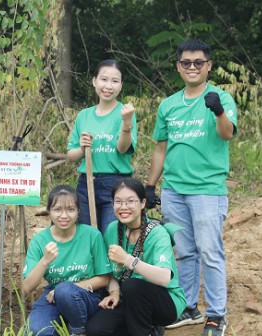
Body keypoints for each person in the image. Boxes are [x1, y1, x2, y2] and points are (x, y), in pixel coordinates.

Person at [145, 39, 237, 336]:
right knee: (184, 251)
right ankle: (187, 307)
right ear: (178, 67)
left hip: (207, 189)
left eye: (199, 62)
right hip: (174, 190)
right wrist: (150, 185)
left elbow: (227, 135)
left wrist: (219, 112)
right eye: (187, 62)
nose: (193, 67)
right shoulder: (169, 104)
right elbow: (161, 148)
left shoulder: (220, 97)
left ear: (209, 65)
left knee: (210, 251)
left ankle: (216, 315)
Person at [85, 178, 186, 336]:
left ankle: (147, 329)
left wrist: (127, 260)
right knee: (95, 329)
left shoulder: (157, 233)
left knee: (132, 285)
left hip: (164, 302)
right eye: (118, 201)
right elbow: (109, 270)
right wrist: (114, 292)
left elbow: (164, 278)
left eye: (130, 201)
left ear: (142, 203)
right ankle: (150, 330)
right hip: (129, 300)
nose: (123, 207)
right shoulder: (113, 229)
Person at [23, 185, 112, 336]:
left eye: (70, 209)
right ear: (49, 212)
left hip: (87, 296)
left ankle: (79, 331)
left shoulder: (92, 235)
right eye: (57, 209)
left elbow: (104, 279)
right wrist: (44, 261)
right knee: (37, 331)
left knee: (65, 290)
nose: (64, 215)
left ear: (78, 212)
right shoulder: (40, 240)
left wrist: (62, 291)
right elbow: (26, 287)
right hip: (52, 297)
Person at [67, 60, 137, 235]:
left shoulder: (125, 113)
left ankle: (112, 264)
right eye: (104, 79)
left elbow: (122, 148)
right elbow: (71, 155)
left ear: (121, 85)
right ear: (94, 81)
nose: (108, 86)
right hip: (86, 183)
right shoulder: (84, 115)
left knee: (110, 234)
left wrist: (126, 123)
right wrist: (82, 148)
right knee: (86, 236)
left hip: (115, 184)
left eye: (115, 81)